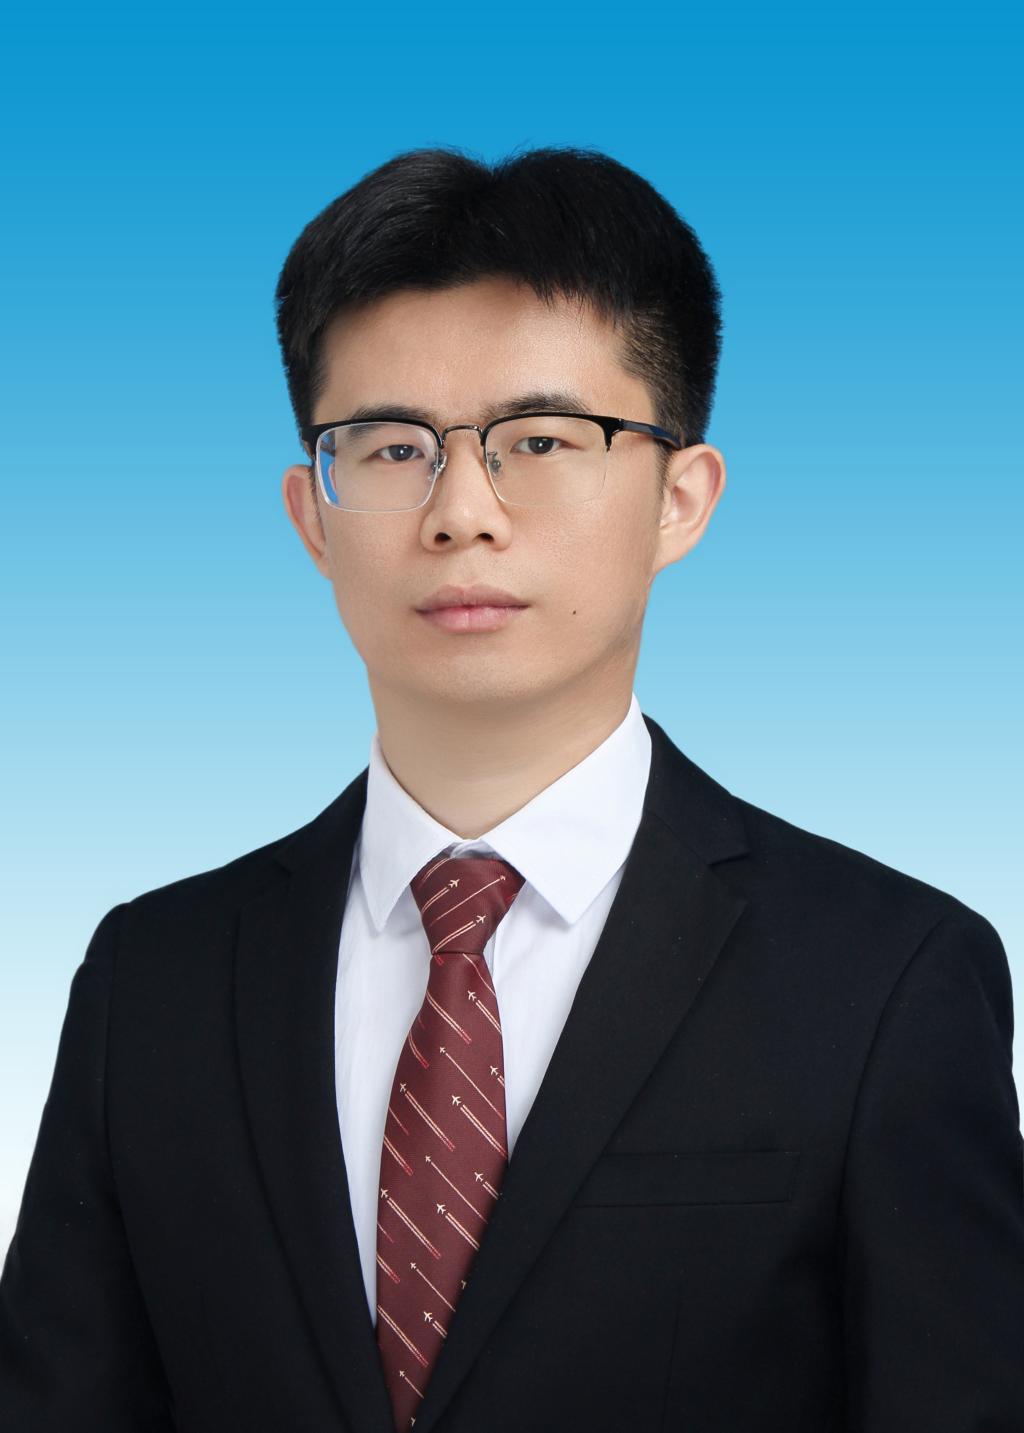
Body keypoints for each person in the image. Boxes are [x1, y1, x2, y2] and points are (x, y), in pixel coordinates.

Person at [1, 145, 1021, 1433]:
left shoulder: (886, 977)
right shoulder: (153, 978)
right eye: (391, 448)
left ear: (681, 498)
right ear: (311, 516)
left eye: (540, 440)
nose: (462, 512)